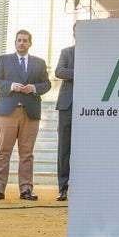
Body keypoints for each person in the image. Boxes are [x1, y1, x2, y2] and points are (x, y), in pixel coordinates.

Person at [0, 29, 51, 201]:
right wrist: (11, 85)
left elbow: (47, 84)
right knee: (3, 152)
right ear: (15, 43)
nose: (21, 43)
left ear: (30, 43)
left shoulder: (39, 63)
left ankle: (26, 190)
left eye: (25, 40)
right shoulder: (4, 60)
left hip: (30, 113)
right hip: (7, 112)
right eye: (19, 40)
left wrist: (35, 88)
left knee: (27, 153)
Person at [53, 34, 75, 202]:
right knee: (64, 148)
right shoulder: (66, 52)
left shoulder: (95, 53)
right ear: (74, 34)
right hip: (67, 105)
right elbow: (59, 71)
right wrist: (81, 71)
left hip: (90, 107)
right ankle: (63, 188)